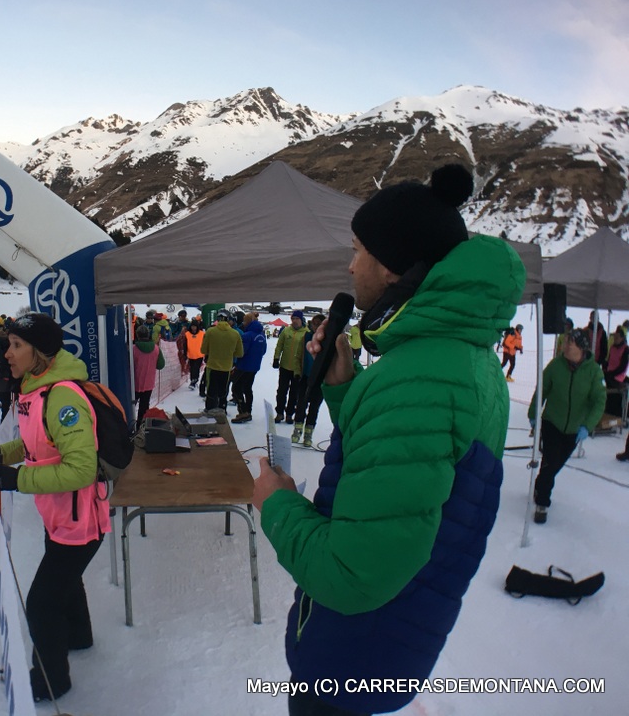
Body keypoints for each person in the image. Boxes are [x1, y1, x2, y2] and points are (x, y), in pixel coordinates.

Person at [252, 164, 524, 715]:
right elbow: (403, 470)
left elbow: (355, 575)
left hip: (352, 656)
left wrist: (276, 505)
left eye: (358, 251)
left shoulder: (419, 380)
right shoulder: (460, 359)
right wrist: (345, 387)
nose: (350, 266)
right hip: (390, 641)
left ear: (394, 265)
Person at [0, 313, 110, 703]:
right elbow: (34, 440)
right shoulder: (36, 389)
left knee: (41, 604)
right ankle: (79, 636)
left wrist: (13, 479)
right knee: (64, 580)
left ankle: (52, 681)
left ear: (39, 352)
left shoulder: (63, 397)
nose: (7, 353)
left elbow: (81, 469)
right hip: (60, 513)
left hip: (80, 519)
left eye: (17, 345)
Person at [528, 328, 606, 523]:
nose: (565, 345)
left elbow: (599, 401)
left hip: (574, 429)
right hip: (552, 422)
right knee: (550, 461)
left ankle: (540, 483)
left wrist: (587, 425)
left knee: (554, 465)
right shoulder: (556, 365)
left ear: (581, 348)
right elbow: (542, 389)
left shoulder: (594, 372)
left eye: (570, 342)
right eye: (566, 341)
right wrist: (533, 414)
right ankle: (542, 504)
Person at [291, 314, 326, 446]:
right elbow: (298, 355)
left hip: (320, 380)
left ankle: (308, 434)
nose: (315, 326)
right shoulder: (306, 337)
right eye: (314, 323)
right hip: (305, 377)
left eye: (318, 323)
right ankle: (297, 431)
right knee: (301, 405)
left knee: (314, 407)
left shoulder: (327, 339)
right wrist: (297, 372)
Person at [200, 310, 244, 413]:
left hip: (212, 366)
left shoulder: (210, 331)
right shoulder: (235, 333)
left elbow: (203, 350)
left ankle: (209, 409)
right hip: (226, 367)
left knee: (211, 389)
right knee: (223, 390)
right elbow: (240, 353)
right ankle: (222, 408)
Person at [230, 312, 267, 424]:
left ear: (248, 322)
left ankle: (243, 411)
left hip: (243, 366)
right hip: (254, 366)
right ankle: (248, 411)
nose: (243, 323)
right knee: (247, 388)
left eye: (245, 321)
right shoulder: (261, 335)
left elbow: (241, 352)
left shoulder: (247, 335)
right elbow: (264, 351)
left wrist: (234, 355)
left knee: (236, 388)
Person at [272, 311, 308, 424]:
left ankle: (289, 414)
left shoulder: (306, 333)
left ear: (301, 320)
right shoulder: (286, 331)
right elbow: (279, 345)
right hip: (285, 366)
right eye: (293, 318)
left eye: (297, 319)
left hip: (298, 369)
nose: (294, 321)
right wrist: (276, 358)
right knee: (282, 391)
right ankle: (279, 412)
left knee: (294, 393)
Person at [132, 324, 165, 430]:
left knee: (131, 406)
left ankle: (129, 427)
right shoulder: (156, 349)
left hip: (134, 383)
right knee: (144, 407)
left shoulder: (133, 349)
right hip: (148, 383)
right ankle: (141, 428)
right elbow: (161, 365)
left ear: (137, 335)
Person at [602, 324, 627, 423]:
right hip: (610, 374)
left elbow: (623, 367)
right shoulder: (612, 347)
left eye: (617, 337)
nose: (615, 339)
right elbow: (609, 361)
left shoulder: (625, 349)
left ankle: (616, 416)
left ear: (622, 338)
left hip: (619, 376)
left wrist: (611, 374)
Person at [183, 321, 205, 390]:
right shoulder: (187, 334)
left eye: (195, 326)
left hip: (199, 354)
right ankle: (193, 380)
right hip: (191, 355)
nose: (193, 328)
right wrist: (185, 354)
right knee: (192, 369)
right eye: (192, 326)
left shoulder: (202, 334)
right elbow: (185, 345)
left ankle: (194, 381)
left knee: (196, 368)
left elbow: (205, 343)